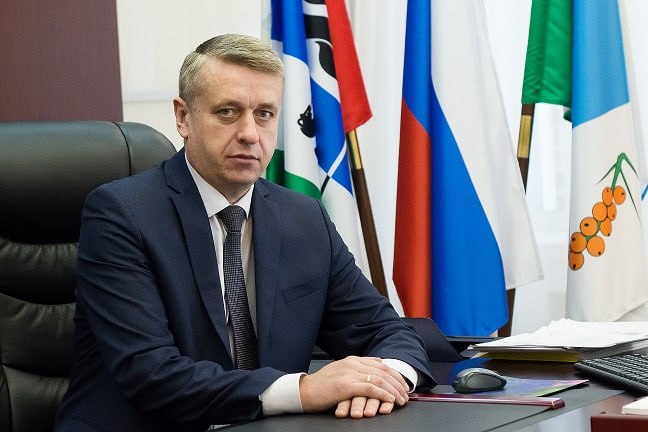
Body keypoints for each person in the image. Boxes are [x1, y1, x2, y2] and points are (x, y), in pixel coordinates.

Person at [54, 34, 434, 431]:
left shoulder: (304, 218)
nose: (250, 133)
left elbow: (386, 330)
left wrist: (383, 379)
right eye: (227, 112)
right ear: (183, 117)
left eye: (265, 114)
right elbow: (151, 375)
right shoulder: (121, 215)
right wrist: (304, 390)